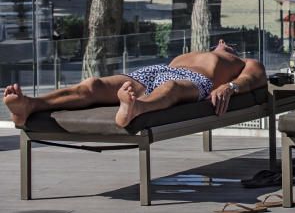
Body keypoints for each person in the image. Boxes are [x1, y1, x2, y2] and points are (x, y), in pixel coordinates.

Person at [3, 39, 265, 128]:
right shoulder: (195, 52)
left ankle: (137, 108)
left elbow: (254, 78)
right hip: (157, 71)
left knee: (171, 89)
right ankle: (30, 105)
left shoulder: (241, 61)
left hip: (196, 81)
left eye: (226, 44)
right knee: (93, 85)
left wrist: (229, 87)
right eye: (220, 43)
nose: (222, 43)